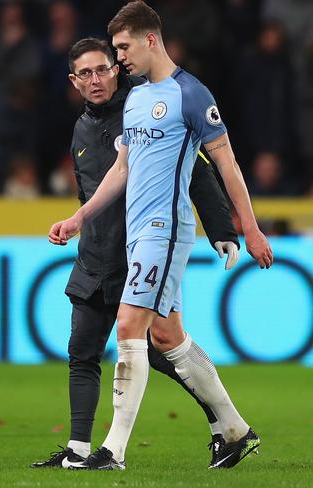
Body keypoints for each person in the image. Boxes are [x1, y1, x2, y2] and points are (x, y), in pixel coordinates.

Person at [48, 1, 273, 470]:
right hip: (138, 234)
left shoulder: (191, 95)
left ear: (150, 39)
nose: (120, 57)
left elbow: (226, 166)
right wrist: (80, 218)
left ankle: (112, 451)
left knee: (130, 327)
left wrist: (247, 229)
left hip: (165, 230)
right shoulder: (134, 98)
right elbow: (122, 169)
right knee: (169, 338)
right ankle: (234, 431)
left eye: (123, 47)